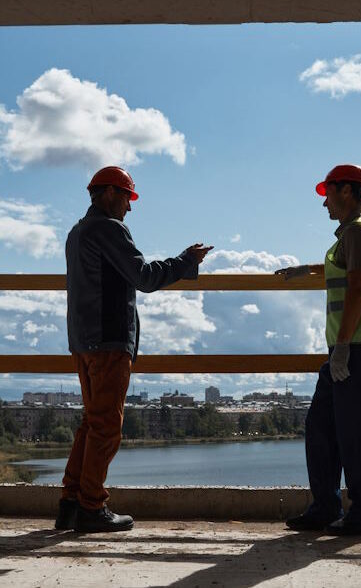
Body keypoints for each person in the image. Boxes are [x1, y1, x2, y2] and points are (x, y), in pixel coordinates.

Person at [57, 166, 212, 533]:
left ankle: (70, 502)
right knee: (107, 426)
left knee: (91, 423)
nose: (130, 207)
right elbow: (143, 276)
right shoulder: (109, 229)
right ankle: (92, 507)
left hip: (83, 342)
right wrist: (185, 263)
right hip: (108, 342)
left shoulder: (77, 233)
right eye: (128, 197)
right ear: (110, 193)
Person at [276, 164, 361, 536]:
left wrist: (342, 348)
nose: (323, 201)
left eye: (327, 192)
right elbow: (344, 270)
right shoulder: (349, 236)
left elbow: (358, 287)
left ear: (346, 191)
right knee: (322, 427)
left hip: (355, 347)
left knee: (355, 431)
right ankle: (325, 506)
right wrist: (306, 270)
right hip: (345, 349)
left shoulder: (358, 231)